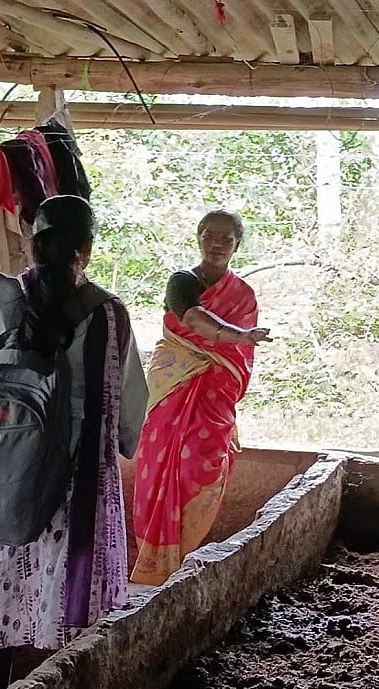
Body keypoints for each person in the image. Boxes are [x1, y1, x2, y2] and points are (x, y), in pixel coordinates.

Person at [0, 195, 148, 689]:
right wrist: (120, 442)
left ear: (32, 241)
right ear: (87, 246)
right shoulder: (109, 314)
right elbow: (128, 415)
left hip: (1, 475)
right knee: (71, 617)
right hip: (74, 490)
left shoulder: (0, 298)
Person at [130, 210, 271, 586]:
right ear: (199, 238)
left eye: (227, 238)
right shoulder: (181, 282)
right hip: (172, 384)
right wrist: (239, 337)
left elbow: (237, 362)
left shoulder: (242, 296)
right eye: (211, 235)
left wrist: (238, 342)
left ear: (237, 244)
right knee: (159, 462)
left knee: (202, 464)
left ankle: (188, 553)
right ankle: (154, 561)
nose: (217, 244)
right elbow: (193, 320)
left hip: (214, 395)